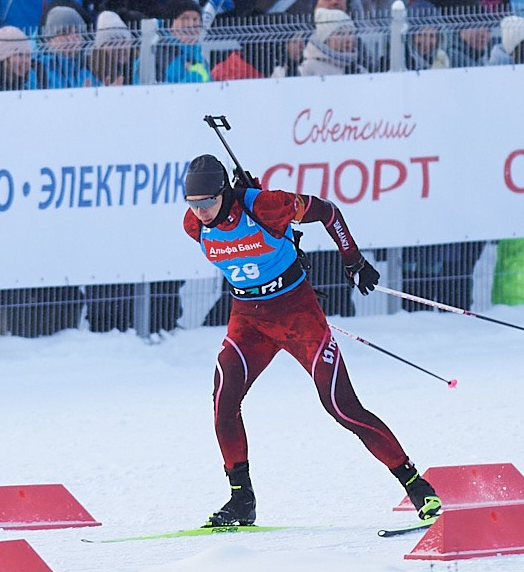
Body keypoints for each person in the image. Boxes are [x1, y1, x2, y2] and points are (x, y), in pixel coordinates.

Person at [182, 152, 440, 530]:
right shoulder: (194, 225)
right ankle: (241, 500)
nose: (201, 212)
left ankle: (416, 485)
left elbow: (329, 213)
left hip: (297, 315)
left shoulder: (267, 205)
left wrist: (352, 260)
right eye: (193, 204)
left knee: (341, 406)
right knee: (223, 401)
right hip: (248, 321)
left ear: (224, 192)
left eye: (208, 202)